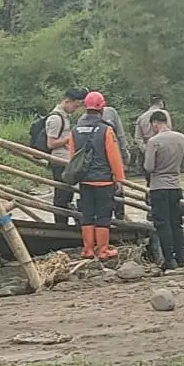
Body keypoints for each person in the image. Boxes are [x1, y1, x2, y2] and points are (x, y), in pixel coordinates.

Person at [68, 91, 127, 259]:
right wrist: (119, 178)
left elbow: (73, 157)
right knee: (103, 215)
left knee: (87, 214)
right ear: (102, 107)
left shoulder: (75, 130)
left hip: (85, 181)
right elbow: (114, 156)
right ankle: (103, 250)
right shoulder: (106, 130)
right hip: (103, 181)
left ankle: (87, 249)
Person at [144, 110, 184, 270]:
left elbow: (149, 166)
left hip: (158, 186)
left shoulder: (154, 141)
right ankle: (181, 258)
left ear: (155, 123)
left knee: (162, 224)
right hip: (175, 185)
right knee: (176, 223)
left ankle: (169, 260)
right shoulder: (182, 138)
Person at [82, 97, 129, 220]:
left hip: (90, 168)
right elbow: (120, 136)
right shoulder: (110, 115)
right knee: (114, 195)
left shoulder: (82, 121)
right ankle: (119, 221)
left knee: (92, 211)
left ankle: (117, 219)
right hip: (105, 165)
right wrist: (124, 158)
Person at [47, 88, 87, 226]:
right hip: (59, 161)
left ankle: (65, 223)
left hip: (66, 160)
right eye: (75, 106)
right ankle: (60, 225)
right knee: (61, 196)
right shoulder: (55, 118)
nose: (75, 109)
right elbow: (51, 143)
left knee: (67, 195)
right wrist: (69, 139)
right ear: (67, 101)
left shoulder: (64, 117)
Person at [134, 94, 171, 184]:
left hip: (147, 148)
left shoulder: (141, 117)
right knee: (164, 176)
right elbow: (169, 131)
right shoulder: (164, 114)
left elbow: (137, 138)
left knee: (150, 179)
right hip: (163, 149)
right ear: (161, 103)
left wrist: (146, 149)